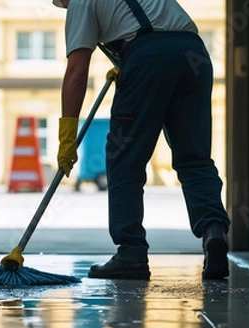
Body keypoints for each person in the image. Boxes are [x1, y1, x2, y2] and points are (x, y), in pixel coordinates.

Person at [53, 0, 231, 280]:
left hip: (148, 58)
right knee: (194, 158)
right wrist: (127, 63)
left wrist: (66, 136)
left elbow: (76, 73)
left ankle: (131, 253)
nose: (63, 6)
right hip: (193, 53)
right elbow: (150, 27)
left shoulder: (80, 2)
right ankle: (213, 231)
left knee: (125, 159)